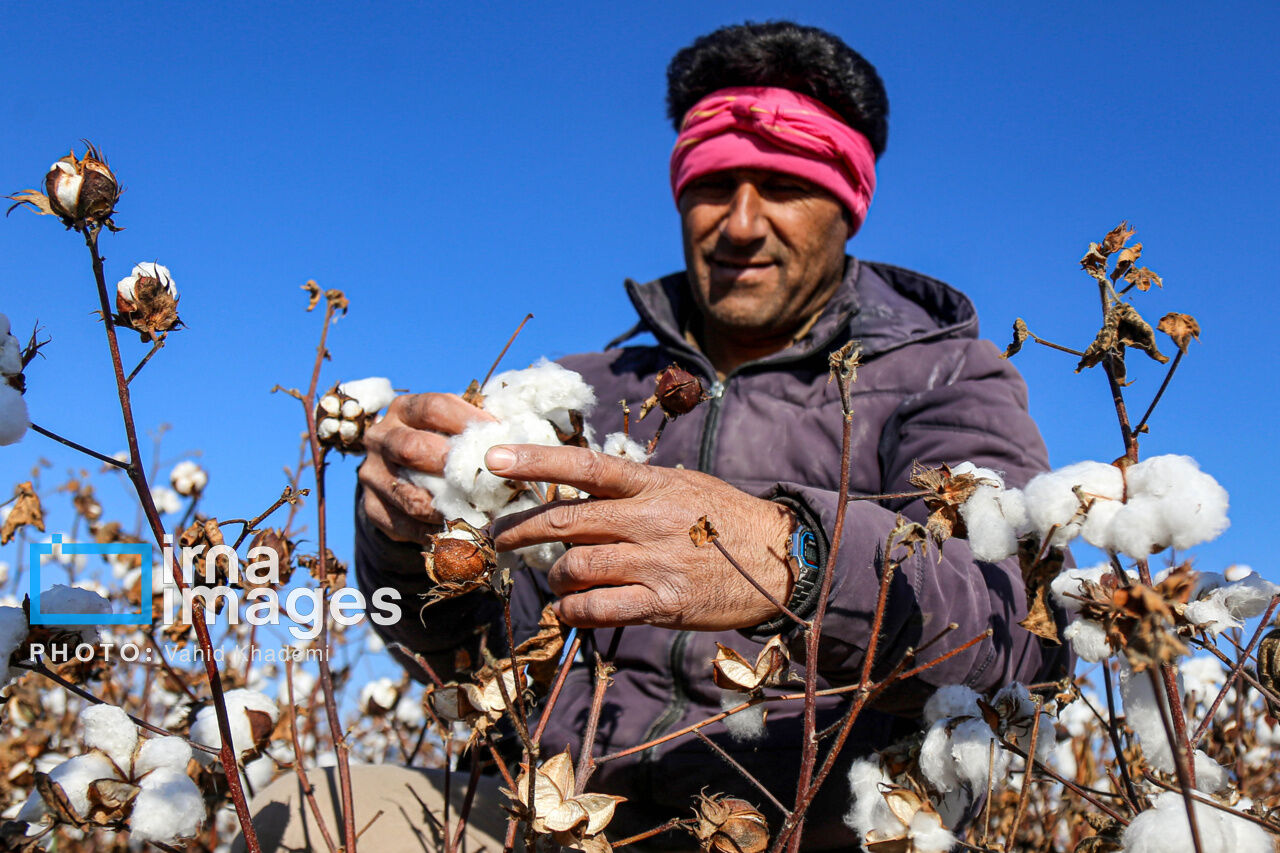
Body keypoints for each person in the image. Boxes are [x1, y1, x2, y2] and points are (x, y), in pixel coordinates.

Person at [242, 20, 1067, 850]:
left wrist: (795, 557)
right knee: (314, 809)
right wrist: (412, 535)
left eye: (783, 184)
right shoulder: (587, 393)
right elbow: (469, 649)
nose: (740, 223)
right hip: (571, 815)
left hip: (819, 825)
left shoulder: (947, 378)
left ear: (848, 203)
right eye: (714, 184)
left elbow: (1017, 628)